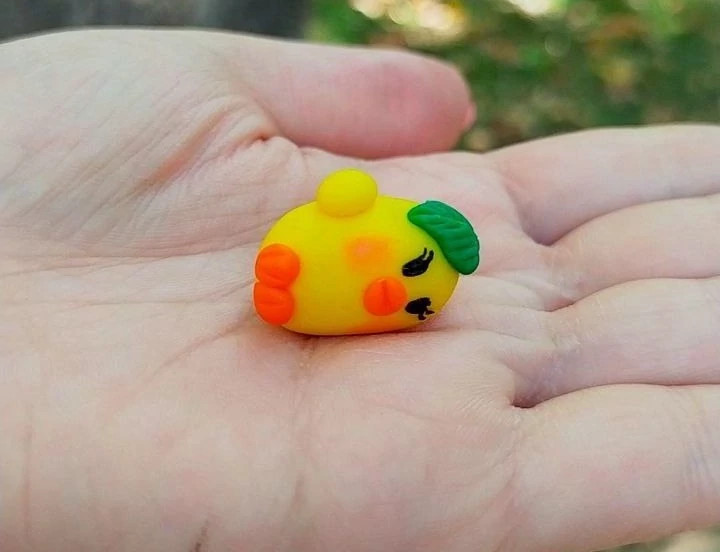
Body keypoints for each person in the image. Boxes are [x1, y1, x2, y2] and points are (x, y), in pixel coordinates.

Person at [1, 28, 718, 552]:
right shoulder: (316, 238)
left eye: (418, 269)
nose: (389, 293)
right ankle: (288, 289)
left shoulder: (413, 239)